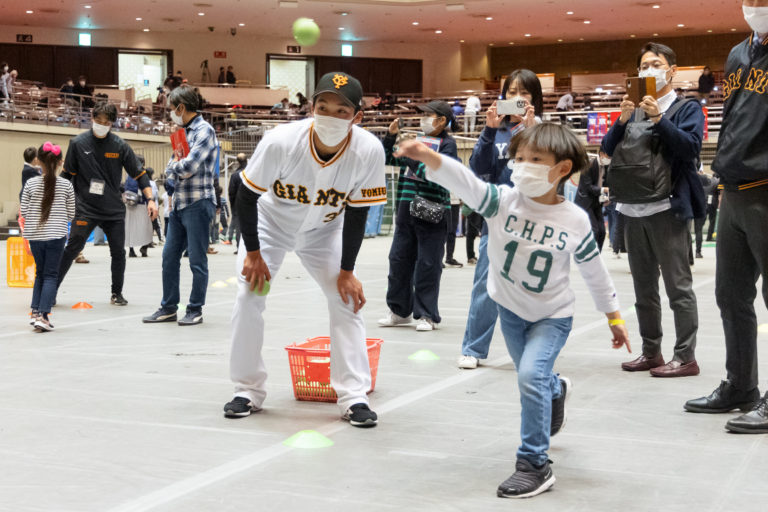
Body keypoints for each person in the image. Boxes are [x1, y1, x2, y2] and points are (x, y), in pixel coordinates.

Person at [394, 122, 630, 499]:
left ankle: (534, 464)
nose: (522, 165)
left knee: (529, 376)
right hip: (510, 313)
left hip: (552, 317)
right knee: (534, 377)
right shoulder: (502, 202)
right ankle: (556, 389)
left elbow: (594, 271)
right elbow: (465, 181)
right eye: (519, 157)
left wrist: (614, 316)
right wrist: (428, 157)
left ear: (562, 168)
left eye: (535, 159)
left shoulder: (574, 220)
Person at [221, 71, 387, 427]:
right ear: (312, 107)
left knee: (346, 298)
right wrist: (253, 253)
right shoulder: (281, 141)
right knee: (249, 295)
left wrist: (347, 271)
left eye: (341, 111)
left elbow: (358, 213)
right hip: (270, 226)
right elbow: (246, 196)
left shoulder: (369, 149)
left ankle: (353, 395)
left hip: (324, 231)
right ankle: (247, 389)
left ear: (357, 117)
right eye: (323, 106)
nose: (330, 115)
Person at [685, 1, 768, 434]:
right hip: (733, 188)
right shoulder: (738, 53)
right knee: (731, 295)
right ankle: (741, 385)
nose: (755, 6)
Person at [601, 42, 706, 377]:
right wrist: (621, 120)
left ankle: (685, 357)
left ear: (671, 71)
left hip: (667, 208)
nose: (649, 70)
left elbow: (690, 148)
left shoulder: (686, 108)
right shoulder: (630, 110)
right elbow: (606, 150)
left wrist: (659, 118)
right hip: (632, 209)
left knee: (678, 288)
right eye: (644, 65)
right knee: (643, 291)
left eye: (656, 64)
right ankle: (651, 352)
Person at [458, 69, 543, 369]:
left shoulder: (544, 130)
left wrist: (532, 135)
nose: (517, 98)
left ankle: (532, 349)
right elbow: (479, 168)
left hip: (534, 224)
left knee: (532, 289)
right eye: (511, 92)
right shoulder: (496, 130)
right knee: (485, 286)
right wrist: (488, 131)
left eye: (524, 93)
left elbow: (547, 173)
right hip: (496, 221)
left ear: (535, 98)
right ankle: (473, 348)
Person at [57, 102, 157, 305]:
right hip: (85, 208)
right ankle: (51, 290)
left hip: (113, 210)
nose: (101, 125)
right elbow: (66, 174)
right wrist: (53, 196)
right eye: (98, 120)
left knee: (118, 252)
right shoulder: (77, 143)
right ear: (92, 118)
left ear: (112, 123)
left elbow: (140, 174)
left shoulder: (120, 146)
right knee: (72, 248)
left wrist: (151, 200)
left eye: (106, 122)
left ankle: (116, 293)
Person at [378, 100, 458, 332]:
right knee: (398, 260)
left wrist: (410, 157)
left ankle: (426, 314)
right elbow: (389, 159)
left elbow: (436, 174)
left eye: (428, 115)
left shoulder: (448, 145)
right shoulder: (417, 142)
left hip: (431, 212)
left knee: (428, 264)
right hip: (406, 210)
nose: (423, 120)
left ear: (441, 120)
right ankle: (399, 310)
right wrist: (391, 137)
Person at [143, 85, 218, 326]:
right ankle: (168, 307)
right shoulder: (182, 134)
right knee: (169, 257)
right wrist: (174, 167)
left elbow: (187, 167)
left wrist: (174, 167)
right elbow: (171, 170)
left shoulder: (205, 131)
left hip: (198, 203)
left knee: (197, 260)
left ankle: (195, 309)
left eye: (172, 108)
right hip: (178, 205)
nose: (171, 113)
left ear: (182, 108)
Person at [21, 142, 76, 332]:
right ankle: (43, 316)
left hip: (35, 236)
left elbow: (24, 211)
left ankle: (35, 312)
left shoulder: (30, 183)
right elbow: (71, 214)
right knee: (51, 275)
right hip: (56, 236)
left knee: (40, 273)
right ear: (60, 162)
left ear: (39, 161)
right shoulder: (66, 185)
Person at [574, 153, 610, 252]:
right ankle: (589, 254)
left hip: (597, 202)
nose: (610, 159)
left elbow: (606, 182)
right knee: (594, 230)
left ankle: (597, 255)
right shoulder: (588, 164)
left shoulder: (606, 167)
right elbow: (587, 187)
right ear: (602, 154)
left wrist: (606, 196)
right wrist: (604, 190)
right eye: (609, 156)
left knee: (602, 232)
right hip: (585, 202)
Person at [124, 155, 154, 258]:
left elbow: (125, 188)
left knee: (131, 228)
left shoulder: (129, 174)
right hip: (141, 205)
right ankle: (144, 247)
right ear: (143, 163)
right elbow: (146, 188)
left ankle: (131, 250)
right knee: (147, 227)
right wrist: (149, 201)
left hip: (130, 205)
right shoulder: (142, 173)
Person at [224, 153, 247, 250]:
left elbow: (231, 192)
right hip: (251, 204)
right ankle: (250, 248)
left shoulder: (235, 175)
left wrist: (233, 204)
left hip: (238, 204)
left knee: (239, 227)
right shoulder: (252, 173)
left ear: (237, 162)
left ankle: (239, 248)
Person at [444, 192, 463, 268]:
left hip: (456, 203)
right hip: (445, 202)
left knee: (452, 231)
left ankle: (449, 258)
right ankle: (438, 258)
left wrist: (461, 198)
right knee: (444, 231)